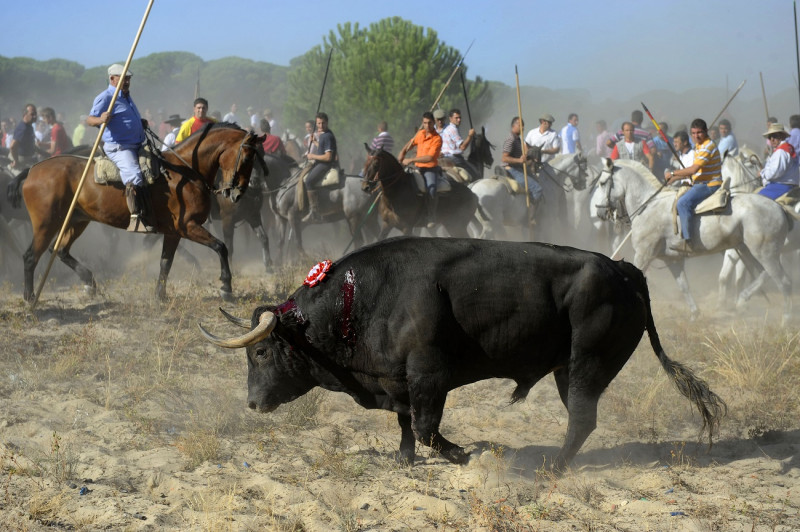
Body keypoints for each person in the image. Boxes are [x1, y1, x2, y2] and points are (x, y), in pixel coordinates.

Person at [86, 64, 154, 232]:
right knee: (135, 175)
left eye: (129, 78)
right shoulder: (106, 96)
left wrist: (140, 123)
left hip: (137, 144)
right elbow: (89, 119)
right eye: (123, 78)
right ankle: (136, 218)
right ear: (112, 79)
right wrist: (100, 119)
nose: (127, 81)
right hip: (120, 147)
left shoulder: (126, 96)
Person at [664, 118, 722, 253]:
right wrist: (674, 178)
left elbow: (693, 170)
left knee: (683, 203)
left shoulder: (707, 146)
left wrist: (673, 173)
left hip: (709, 184)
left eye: (699, 133)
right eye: (693, 133)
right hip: (701, 181)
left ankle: (688, 242)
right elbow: (694, 172)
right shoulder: (700, 146)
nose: (696, 136)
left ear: (706, 131)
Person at [398, 111, 443, 228]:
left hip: (430, 169)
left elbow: (430, 157)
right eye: (424, 123)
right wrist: (402, 152)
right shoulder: (420, 134)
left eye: (429, 123)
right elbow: (410, 144)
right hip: (417, 168)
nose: (427, 126)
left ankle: (431, 215)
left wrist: (411, 160)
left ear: (434, 123)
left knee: (431, 189)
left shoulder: (437, 139)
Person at [301, 112, 337, 223]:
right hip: (320, 162)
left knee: (309, 182)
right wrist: (316, 142)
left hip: (324, 164)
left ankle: (314, 212)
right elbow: (322, 149)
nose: (320, 126)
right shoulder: (324, 134)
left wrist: (312, 156)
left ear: (327, 123)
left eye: (323, 123)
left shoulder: (327, 136)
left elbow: (328, 157)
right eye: (318, 123)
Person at [501, 116, 542, 207]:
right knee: (537, 189)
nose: (523, 127)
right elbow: (504, 158)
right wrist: (519, 160)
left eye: (523, 125)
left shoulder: (518, 139)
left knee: (537, 180)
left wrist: (529, 157)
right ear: (513, 126)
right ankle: (531, 216)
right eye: (520, 125)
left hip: (518, 167)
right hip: (511, 169)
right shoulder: (510, 139)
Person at [758, 123, 800, 200]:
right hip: (786, 185)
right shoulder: (787, 148)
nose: (772, 139)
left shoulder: (781, 151)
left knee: (756, 200)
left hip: (780, 186)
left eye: (775, 136)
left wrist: (762, 173)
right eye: (770, 137)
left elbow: (774, 173)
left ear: (782, 136)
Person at [440, 108, 477, 180]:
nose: (459, 120)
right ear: (450, 119)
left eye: (460, 117)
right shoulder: (453, 129)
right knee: (474, 175)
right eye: (456, 118)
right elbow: (462, 147)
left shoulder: (449, 128)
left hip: (446, 157)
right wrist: (470, 135)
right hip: (454, 158)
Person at [9, 104, 47, 172]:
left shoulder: (29, 127)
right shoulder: (23, 128)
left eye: (35, 114)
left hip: (28, 160)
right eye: (32, 114)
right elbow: (12, 146)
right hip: (20, 161)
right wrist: (16, 161)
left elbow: (31, 145)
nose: (35, 116)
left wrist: (44, 153)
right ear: (25, 114)